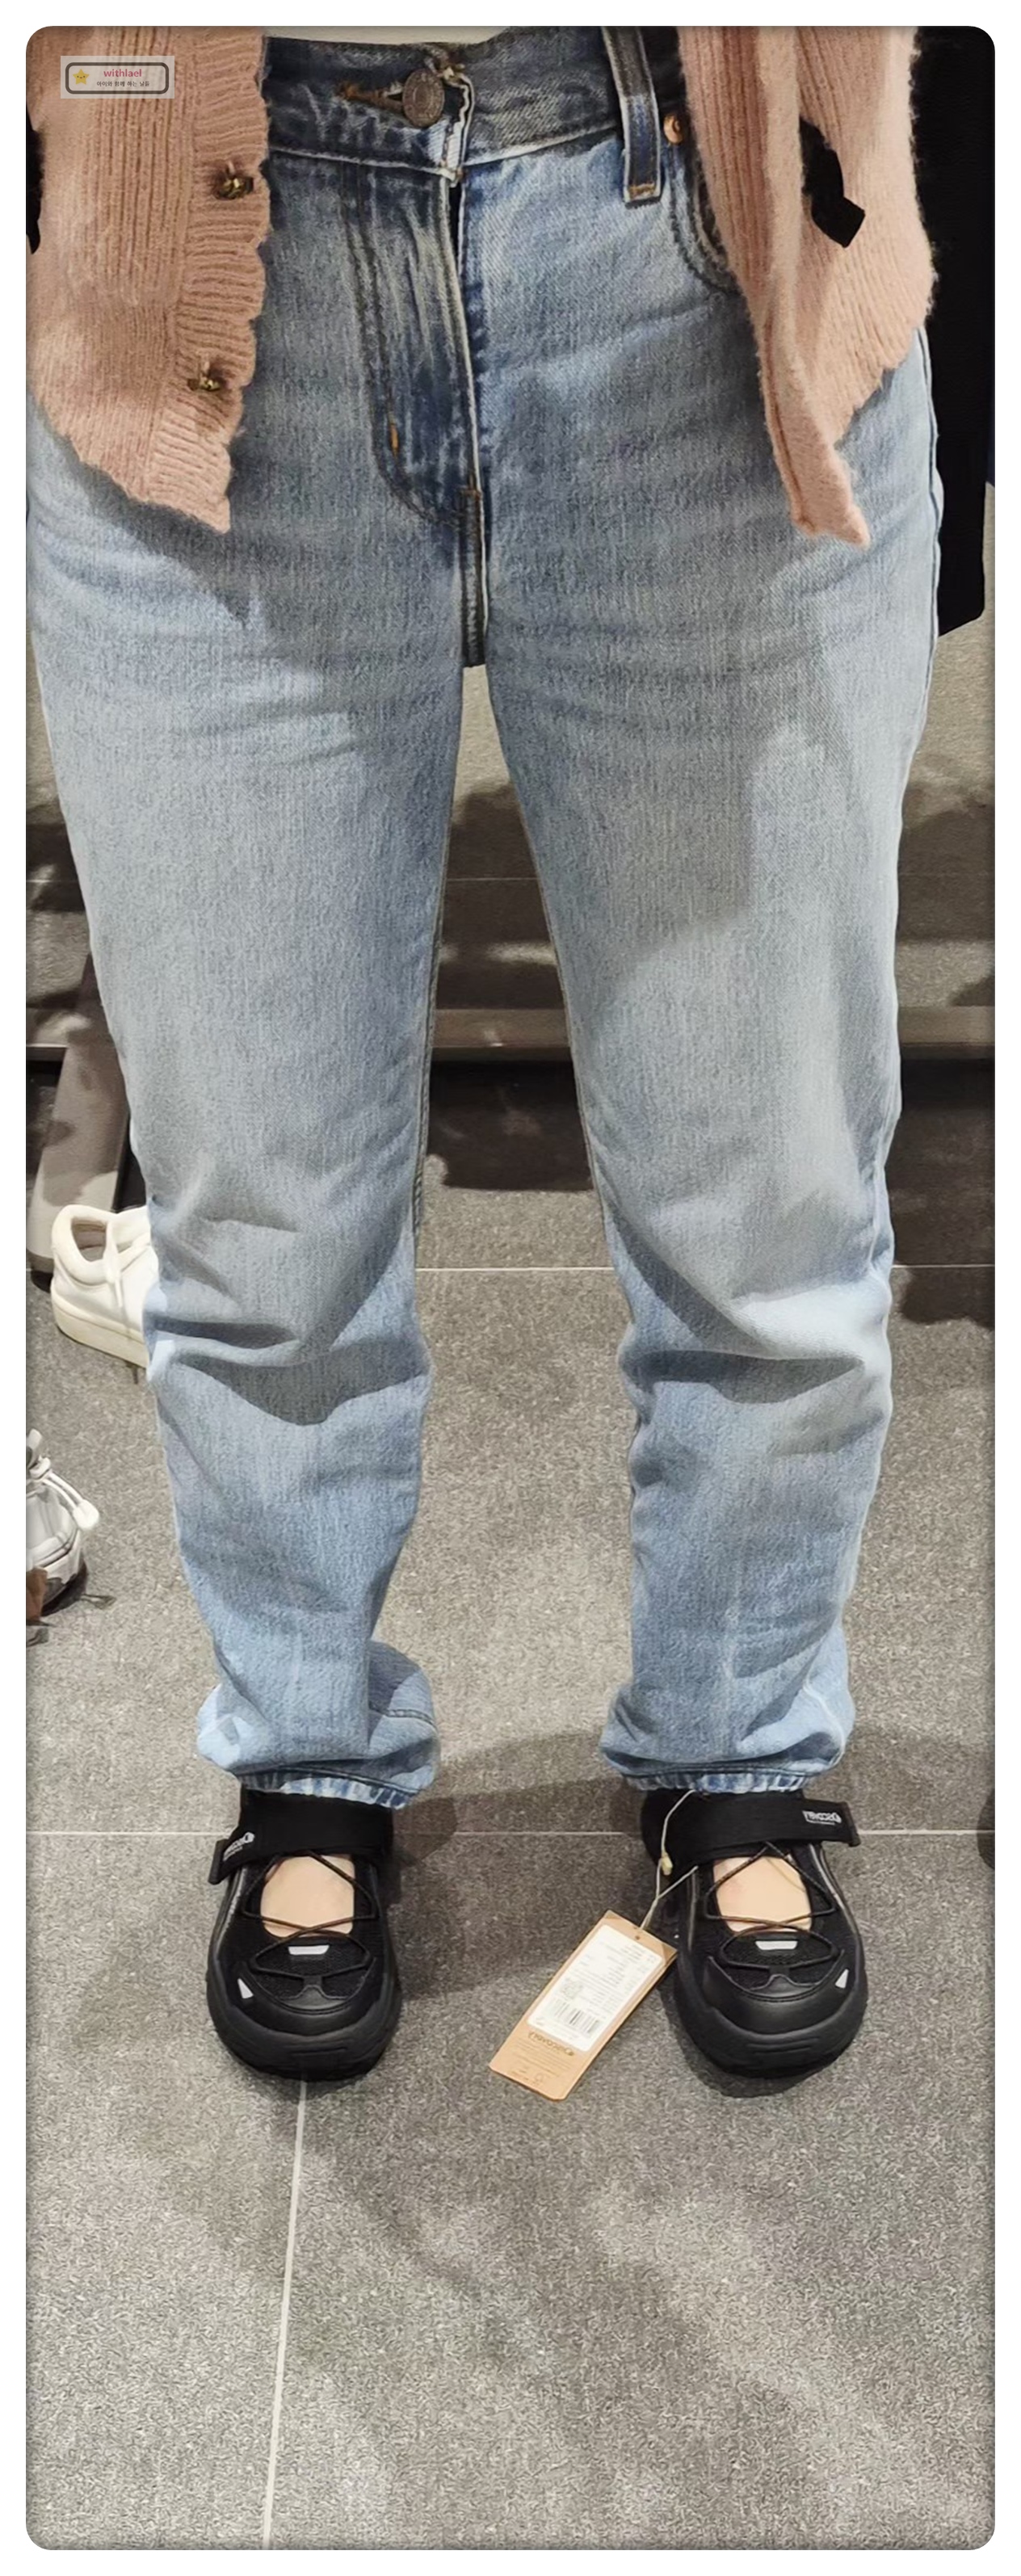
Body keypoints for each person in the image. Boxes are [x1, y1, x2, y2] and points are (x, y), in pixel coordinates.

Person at [25, 25, 941, 2083]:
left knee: (768, 1195)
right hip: (181, 240)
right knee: (257, 1213)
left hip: (695, 240)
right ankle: (305, 1757)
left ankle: (736, 1743)